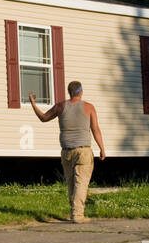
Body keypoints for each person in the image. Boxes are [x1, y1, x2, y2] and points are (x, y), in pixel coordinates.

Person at [30, 80, 106, 223]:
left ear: (69, 92)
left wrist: (33, 104)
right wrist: (102, 148)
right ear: (81, 92)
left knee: (71, 183)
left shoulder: (60, 106)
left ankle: (74, 213)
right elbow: (95, 129)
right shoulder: (89, 107)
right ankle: (77, 216)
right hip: (83, 151)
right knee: (81, 183)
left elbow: (43, 118)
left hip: (66, 152)